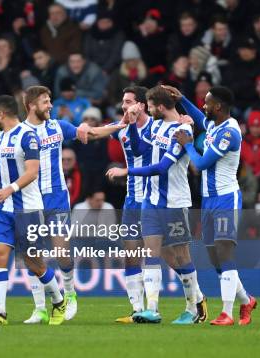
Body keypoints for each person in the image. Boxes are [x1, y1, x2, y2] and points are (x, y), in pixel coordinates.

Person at [21, 85, 123, 324]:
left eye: (50, 101)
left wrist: (121, 126)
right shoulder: (18, 132)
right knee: (31, 253)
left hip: (56, 196)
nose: (50, 106)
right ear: (30, 106)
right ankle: (39, 308)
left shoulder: (58, 127)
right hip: (28, 197)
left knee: (61, 251)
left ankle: (70, 294)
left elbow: (93, 133)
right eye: (45, 102)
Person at [107, 86, 208, 324]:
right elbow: (139, 148)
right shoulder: (155, 125)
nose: (147, 110)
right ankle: (152, 309)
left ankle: (193, 307)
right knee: (151, 255)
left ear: (160, 106)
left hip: (174, 202)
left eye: (150, 106)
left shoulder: (183, 129)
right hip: (150, 201)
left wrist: (126, 171)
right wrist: (132, 124)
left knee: (182, 257)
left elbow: (162, 167)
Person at [172, 85, 257, 325]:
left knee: (224, 252)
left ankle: (227, 313)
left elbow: (200, 163)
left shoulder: (229, 133)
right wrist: (182, 99)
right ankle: (246, 300)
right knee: (215, 257)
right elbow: (201, 118)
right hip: (208, 200)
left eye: (207, 102)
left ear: (218, 106)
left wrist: (188, 143)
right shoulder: (213, 124)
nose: (203, 106)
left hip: (225, 199)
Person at [0, 95, 65, 326]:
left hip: (28, 208)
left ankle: (58, 299)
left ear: (2, 113)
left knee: (33, 263)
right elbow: (6, 173)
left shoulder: (28, 136)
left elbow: (32, 172)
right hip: (3, 209)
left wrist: (9, 189)